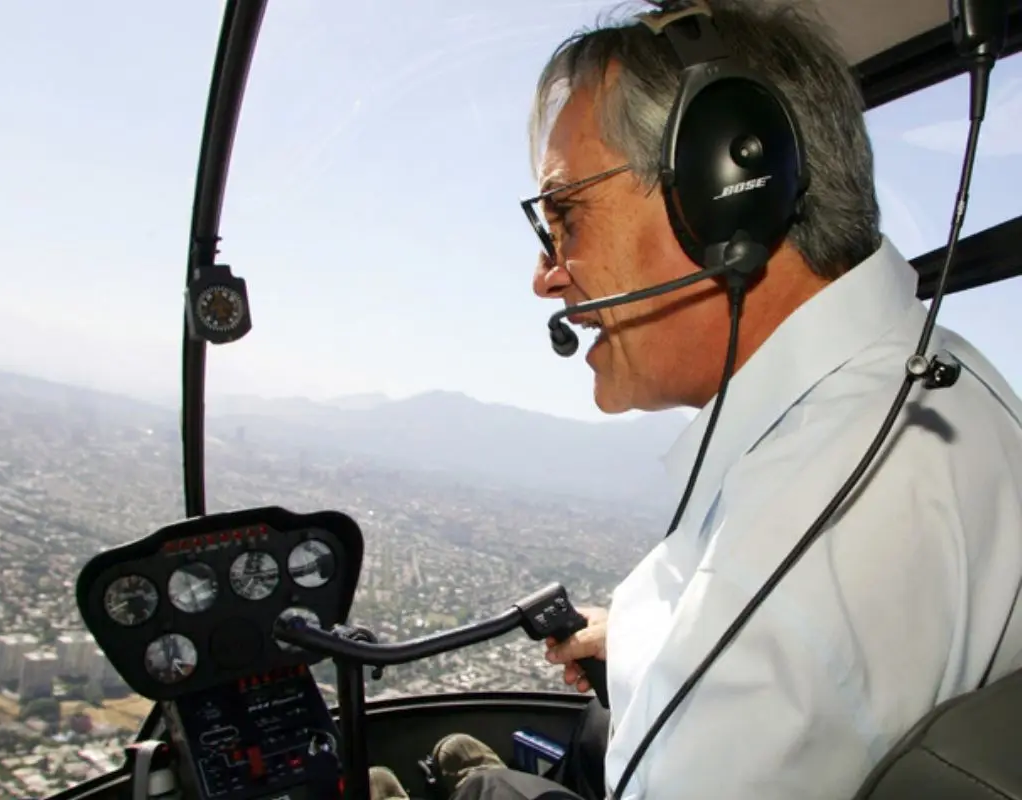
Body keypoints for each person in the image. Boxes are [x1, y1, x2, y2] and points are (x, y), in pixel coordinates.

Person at [368, 0, 1022, 798]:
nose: (546, 273)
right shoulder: (934, 379)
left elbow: (779, 632)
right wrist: (635, 634)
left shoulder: (790, 571)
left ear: (727, 192)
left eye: (564, 215)